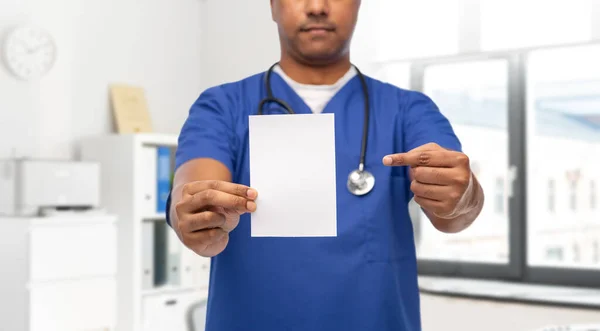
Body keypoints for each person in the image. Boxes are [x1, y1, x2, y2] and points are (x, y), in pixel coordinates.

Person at [167, 0, 485, 330]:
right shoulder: (221, 107)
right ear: (273, 6)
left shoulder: (408, 110)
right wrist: (200, 219)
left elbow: (455, 212)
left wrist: (464, 196)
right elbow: (192, 191)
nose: (317, 6)